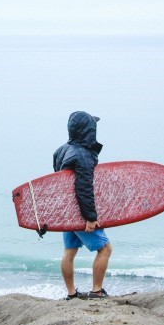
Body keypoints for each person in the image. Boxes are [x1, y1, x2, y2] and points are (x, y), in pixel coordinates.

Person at [53, 111, 112, 300]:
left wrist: (66, 213)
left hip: (67, 211)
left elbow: (61, 184)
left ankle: (71, 294)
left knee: (69, 252)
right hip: (80, 212)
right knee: (105, 249)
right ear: (89, 130)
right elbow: (84, 187)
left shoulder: (61, 150)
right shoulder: (84, 155)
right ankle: (96, 291)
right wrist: (90, 217)